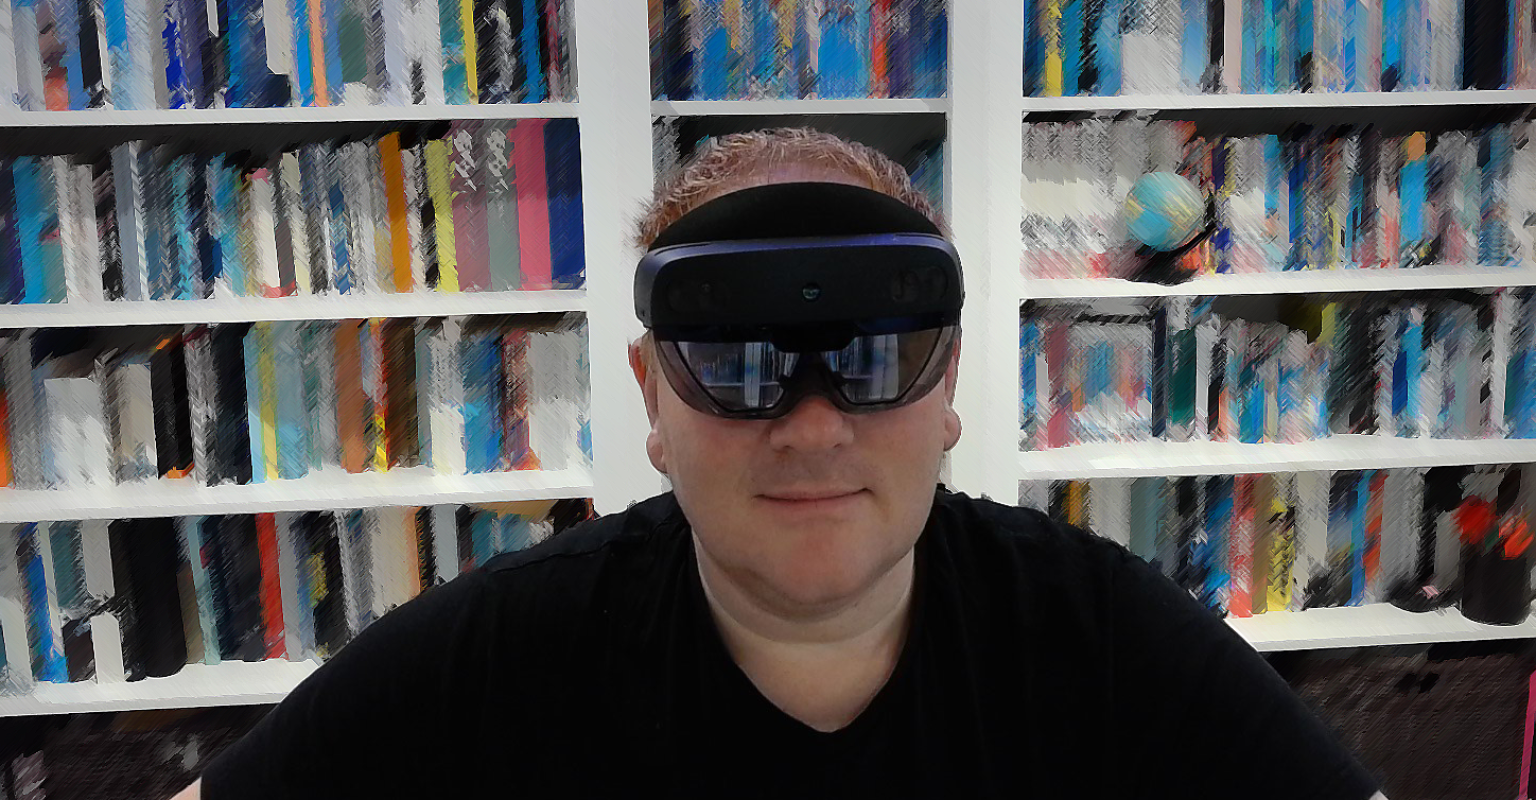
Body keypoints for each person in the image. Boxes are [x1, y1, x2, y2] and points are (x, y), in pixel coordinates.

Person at [173, 128, 1386, 799]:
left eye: (874, 358)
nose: (811, 427)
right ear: (651, 398)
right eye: (741, 365)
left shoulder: (1097, 632)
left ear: (951, 384)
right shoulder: (505, 648)